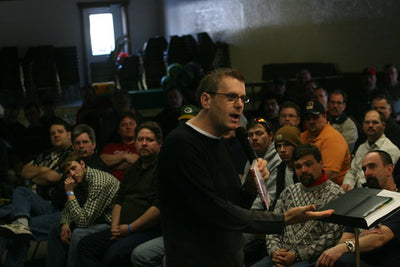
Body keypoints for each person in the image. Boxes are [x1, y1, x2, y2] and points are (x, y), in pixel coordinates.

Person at [157, 68, 333, 266]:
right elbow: (216, 212)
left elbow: (234, 205)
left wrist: (250, 186)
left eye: (243, 98)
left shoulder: (219, 142)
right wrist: (283, 219)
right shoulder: (181, 144)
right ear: (206, 100)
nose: (240, 105)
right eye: (231, 97)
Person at [78, 121, 162, 267]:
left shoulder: (162, 169)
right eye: (140, 139)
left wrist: (130, 228)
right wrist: (115, 228)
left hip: (147, 231)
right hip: (122, 228)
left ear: (159, 144)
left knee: (113, 254)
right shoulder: (132, 169)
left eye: (149, 140)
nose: (144, 143)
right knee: (85, 245)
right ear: (135, 144)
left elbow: (157, 209)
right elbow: (119, 200)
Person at [253, 144, 343, 267]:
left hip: (310, 259)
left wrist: (297, 255)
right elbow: (272, 224)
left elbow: (333, 235)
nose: (303, 170)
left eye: (308, 164)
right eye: (298, 166)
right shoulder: (288, 192)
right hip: (280, 255)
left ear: (321, 164)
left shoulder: (336, 194)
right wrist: (275, 251)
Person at [0, 119, 72, 267]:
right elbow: (24, 171)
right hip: (34, 203)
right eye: (52, 133)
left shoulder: (72, 155)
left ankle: (21, 224)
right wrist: (45, 172)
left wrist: (39, 173)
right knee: (20, 193)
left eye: (60, 132)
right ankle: (21, 222)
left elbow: (53, 177)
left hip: (55, 206)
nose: (56, 135)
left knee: (11, 230)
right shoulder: (45, 155)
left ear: (69, 134)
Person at [316, 150, 400, 267]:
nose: (367, 173)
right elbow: (344, 239)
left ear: (389, 169)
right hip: (359, 259)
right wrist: (360, 238)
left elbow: (379, 238)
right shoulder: (361, 201)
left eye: (372, 167)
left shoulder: (398, 201)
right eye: (364, 169)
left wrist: (349, 245)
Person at [46, 151, 120, 267]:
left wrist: (69, 192)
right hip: (92, 218)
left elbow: (83, 222)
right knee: (56, 228)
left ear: (82, 164)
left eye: (74, 168)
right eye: (68, 172)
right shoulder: (78, 181)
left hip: (109, 222)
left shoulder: (98, 182)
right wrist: (65, 223)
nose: (72, 174)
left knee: (78, 233)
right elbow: (68, 207)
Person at [342, 110, 400, 191]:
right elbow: (352, 171)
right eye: (367, 122)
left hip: (376, 192)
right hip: (356, 192)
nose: (370, 125)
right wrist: (347, 184)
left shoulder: (390, 149)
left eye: (375, 122)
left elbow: (381, 178)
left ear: (383, 125)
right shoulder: (361, 147)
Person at [301, 100, 351, 185]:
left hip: (332, 190)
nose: (311, 121)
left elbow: (331, 174)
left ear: (324, 117)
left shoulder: (333, 138)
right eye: (308, 119)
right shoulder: (303, 136)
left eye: (315, 117)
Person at [242, 117, 281, 209]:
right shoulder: (251, 160)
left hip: (267, 211)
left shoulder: (278, 159)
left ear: (271, 136)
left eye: (259, 133)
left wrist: (245, 210)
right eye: (250, 135)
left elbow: (270, 196)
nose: (254, 138)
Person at [100, 111, 139, 181]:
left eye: (132, 124)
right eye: (124, 125)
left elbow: (140, 163)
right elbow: (103, 161)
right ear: (118, 131)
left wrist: (113, 165)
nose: (128, 127)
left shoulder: (141, 145)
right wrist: (125, 156)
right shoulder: (111, 146)